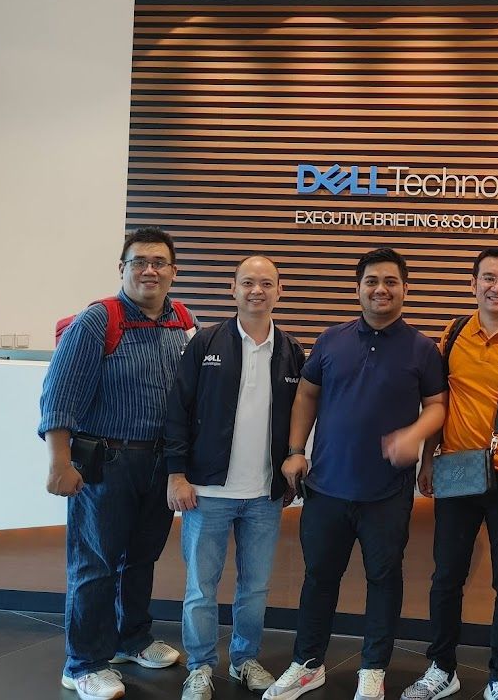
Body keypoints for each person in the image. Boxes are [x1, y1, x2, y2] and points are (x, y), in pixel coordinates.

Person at [263, 248, 447, 700]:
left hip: (388, 493)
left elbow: (438, 406)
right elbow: (306, 396)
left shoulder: (423, 349)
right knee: (319, 578)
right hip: (326, 487)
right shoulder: (330, 340)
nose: (381, 289)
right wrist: (294, 451)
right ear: (358, 288)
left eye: (390, 281)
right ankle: (307, 664)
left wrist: (415, 440)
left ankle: (373, 669)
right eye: (371, 281)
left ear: (405, 288)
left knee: (384, 580)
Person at [40, 227, 193, 700]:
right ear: (122, 268)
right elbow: (58, 396)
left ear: (173, 271)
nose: (149, 270)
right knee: (95, 564)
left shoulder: (182, 321)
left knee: (141, 559)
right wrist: (59, 462)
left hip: (157, 463)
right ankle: (83, 662)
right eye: (139, 261)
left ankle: (133, 639)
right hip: (104, 463)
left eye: (159, 262)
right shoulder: (96, 321)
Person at [402, 248, 498, 700]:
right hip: (455, 471)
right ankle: (441, 668)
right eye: (489, 278)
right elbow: (438, 403)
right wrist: (428, 459)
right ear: (473, 284)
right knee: (446, 576)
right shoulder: (451, 335)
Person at [164, 256, 307, 700]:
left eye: (267, 283)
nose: (257, 291)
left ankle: (244, 660)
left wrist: (288, 474)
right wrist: (176, 474)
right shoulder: (205, 342)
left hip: (264, 495)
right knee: (200, 588)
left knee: (255, 587)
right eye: (248, 283)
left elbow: (301, 417)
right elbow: (177, 412)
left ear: (279, 291)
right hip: (206, 492)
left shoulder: (291, 350)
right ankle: (201, 667)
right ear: (233, 289)